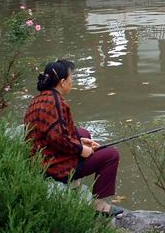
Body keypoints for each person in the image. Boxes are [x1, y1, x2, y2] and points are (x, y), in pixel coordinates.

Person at [24, 60, 123, 217]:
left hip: (40, 158)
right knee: (111, 156)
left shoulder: (39, 99)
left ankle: (74, 185)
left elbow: (52, 132)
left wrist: (79, 140)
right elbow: (57, 137)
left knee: (83, 133)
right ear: (62, 82)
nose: (72, 81)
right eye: (71, 78)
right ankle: (99, 207)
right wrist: (80, 149)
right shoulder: (55, 102)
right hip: (52, 167)